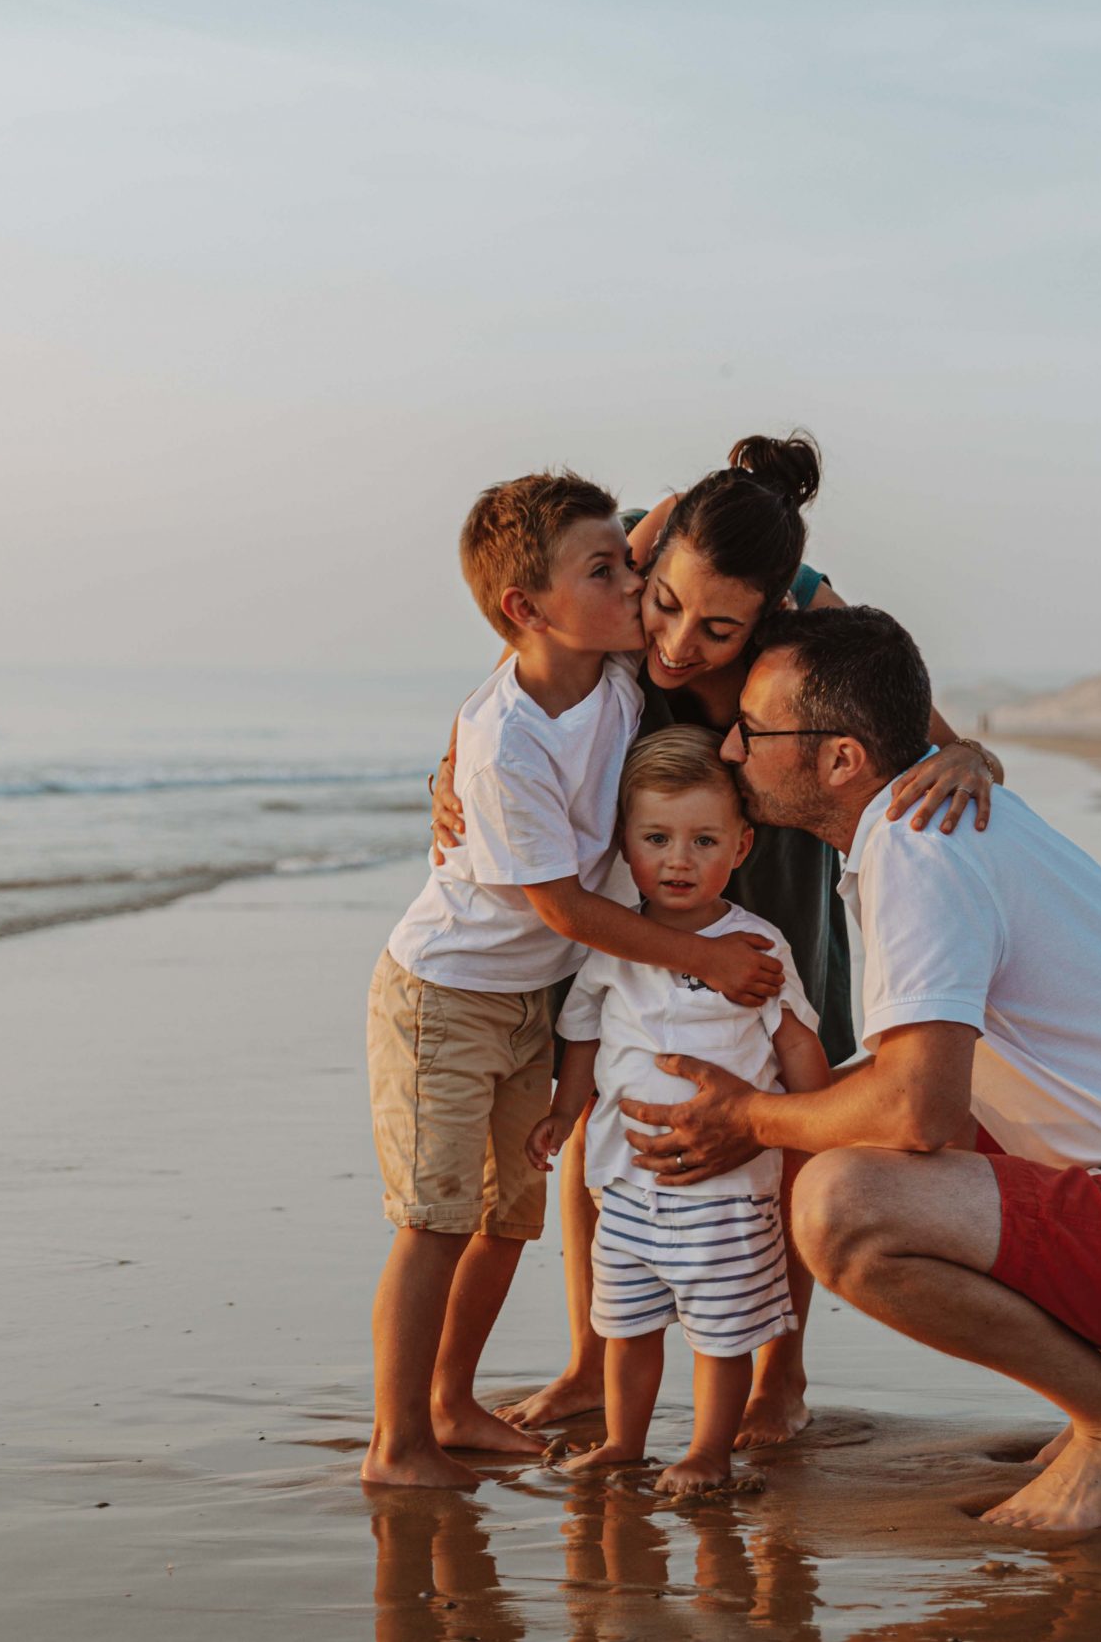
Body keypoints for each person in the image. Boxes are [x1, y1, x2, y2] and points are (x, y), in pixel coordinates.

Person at [622, 605, 1101, 1531]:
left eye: (755, 731)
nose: (728, 748)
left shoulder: (921, 847)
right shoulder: (937, 814)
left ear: (842, 759)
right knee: (834, 1111)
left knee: (838, 1201)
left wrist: (750, 1118)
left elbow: (919, 1112)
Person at [432, 432, 1003, 1448]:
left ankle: (777, 1374)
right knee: (612, 1087)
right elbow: (527, 654)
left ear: (769, 614)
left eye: (718, 628)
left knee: (789, 1102)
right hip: (643, 868)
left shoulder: (800, 605)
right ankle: (590, 1357)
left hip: (772, 861)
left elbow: (900, 715)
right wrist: (450, 760)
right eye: (662, 607)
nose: (678, 643)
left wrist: (960, 750)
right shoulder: (648, 553)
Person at [361, 472, 787, 1491]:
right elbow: (561, 906)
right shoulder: (504, 738)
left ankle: (452, 1401)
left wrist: (686, 503)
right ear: (527, 608)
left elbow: (642, 539)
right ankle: (396, 1439)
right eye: (609, 572)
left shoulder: (616, 673)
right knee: (437, 1215)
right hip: (446, 996)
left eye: (629, 561)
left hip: (526, 1000)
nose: (637, 584)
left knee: (510, 1212)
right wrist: (704, 955)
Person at [525, 727, 832, 1494]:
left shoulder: (756, 942)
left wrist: (821, 1124)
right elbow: (584, 1035)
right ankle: (625, 1440)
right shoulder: (614, 941)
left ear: (741, 845)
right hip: (625, 1187)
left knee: (721, 1335)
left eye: (703, 840)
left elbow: (795, 1043)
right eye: (656, 838)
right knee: (623, 1325)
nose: (678, 859)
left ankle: (706, 1450)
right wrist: (565, 1114)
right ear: (625, 845)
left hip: (726, 1196)